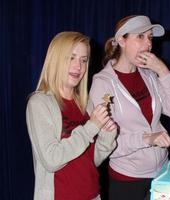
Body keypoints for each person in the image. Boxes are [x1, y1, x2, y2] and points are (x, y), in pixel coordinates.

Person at [89, 15, 170, 200]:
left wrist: (163, 71)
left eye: (150, 37)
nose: (148, 44)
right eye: (140, 37)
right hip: (127, 180)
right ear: (121, 41)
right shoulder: (102, 83)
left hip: (161, 172)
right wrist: (146, 139)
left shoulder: (150, 76)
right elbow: (104, 145)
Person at [26, 31, 117, 200]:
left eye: (83, 60)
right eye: (71, 58)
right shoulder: (39, 103)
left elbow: (90, 161)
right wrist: (91, 127)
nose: (79, 67)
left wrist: (107, 134)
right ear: (56, 60)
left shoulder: (85, 103)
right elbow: (52, 160)